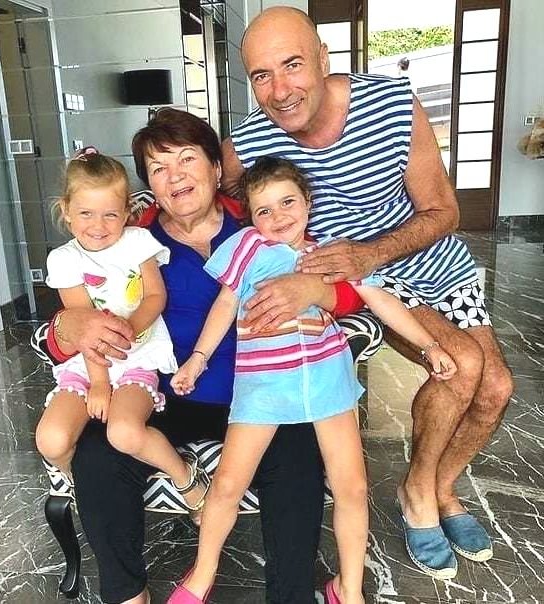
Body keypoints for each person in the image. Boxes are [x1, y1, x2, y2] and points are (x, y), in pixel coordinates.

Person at [221, 6, 514, 581]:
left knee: (496, 389)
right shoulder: (249, 140)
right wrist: (133, 222)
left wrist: (370, 252)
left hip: (425, 260)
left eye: (292, 65)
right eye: (261, 75)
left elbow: (445, 211)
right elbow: (206, 201)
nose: (279, 90)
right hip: (367, 285)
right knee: (462, 366)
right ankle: (421, 500)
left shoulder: (392, 103)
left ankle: (434, 484)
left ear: (323, 58)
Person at [41, 110, 366, 604]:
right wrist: (67, 328)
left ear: (216, 168)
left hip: (264, 394)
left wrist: (318, 293)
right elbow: (67, 320)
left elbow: (353, 289)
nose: (174, 176)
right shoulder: (130, 237)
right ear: (148, 186)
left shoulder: (262, 218)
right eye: (158, 168)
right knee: (99, 456)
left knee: (297, 463)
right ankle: (128, 595)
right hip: (167, 393)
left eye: (187, 159)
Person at [167, 156, 457, 604]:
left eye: (287, 202)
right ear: (251, 218)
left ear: (307, 201)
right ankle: (202, 577)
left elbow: (381, 299)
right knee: (227, 485)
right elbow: (225, 304)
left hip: (327, 384)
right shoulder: (248, 247)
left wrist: (429, 345)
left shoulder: (331, 254)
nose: (278, 216)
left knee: (352, 487)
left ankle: (349, 589)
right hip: (263, 389)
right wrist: (198, 359)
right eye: (264, 210)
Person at [35, 146, 209, 524]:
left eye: (110, 214)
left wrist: (132, 327)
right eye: (86, 213)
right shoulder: (63, 260)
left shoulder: (138, 242)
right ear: (66, 211)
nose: (98, 226)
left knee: (125, 433)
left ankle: (186, 478)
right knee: (51, 439)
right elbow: (86, 328)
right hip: (88, 364)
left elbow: (155, 295)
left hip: (135, 359)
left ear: (127, 212)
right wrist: (99, 384)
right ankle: (82, 484)